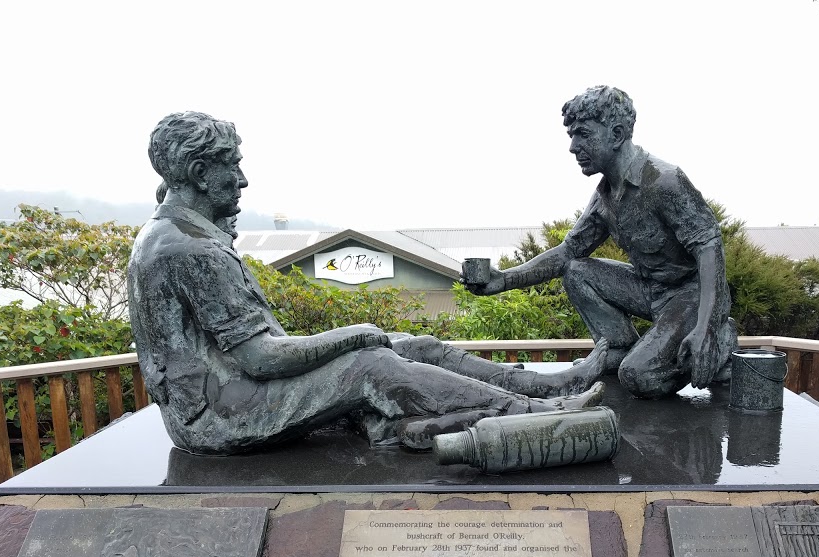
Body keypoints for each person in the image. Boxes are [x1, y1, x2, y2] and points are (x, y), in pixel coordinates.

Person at [129, 112, 607, 455]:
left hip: (236, 389)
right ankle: (533, 411)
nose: (242, 179)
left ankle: (543, 389)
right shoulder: (189, 248)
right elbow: (261, 357)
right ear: (198, 173)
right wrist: (355, 333)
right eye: (231, 165)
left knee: (414, 346)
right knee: (370, 362)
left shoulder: (171, 231)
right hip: (224, 415)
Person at [468, 85, 737, 398]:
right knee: (576, 269)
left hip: (690, 296)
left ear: (617, 134)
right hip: (650, 290)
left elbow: (709, 248)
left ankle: (720, 342)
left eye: (582, 134)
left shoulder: (664, 180)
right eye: (572, 135)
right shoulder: (605, 196)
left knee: (639, 376)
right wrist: (504, 280)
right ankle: (620, 349)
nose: (573, 146)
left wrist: (706, 327)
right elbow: (568, 252)